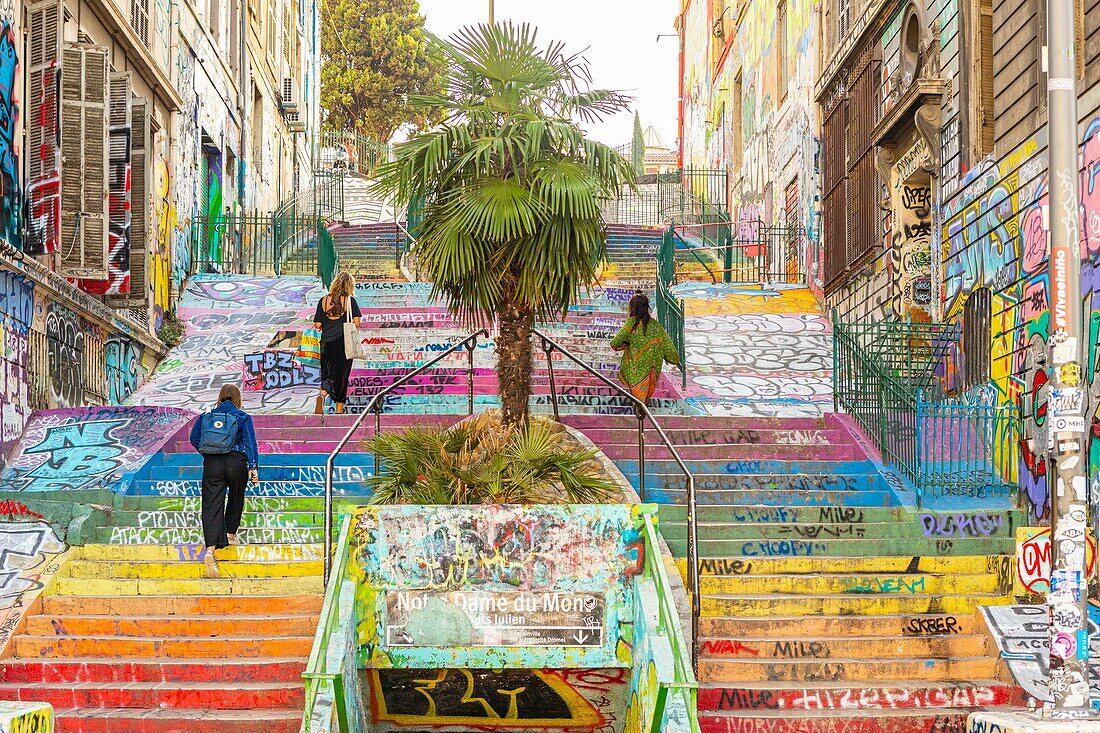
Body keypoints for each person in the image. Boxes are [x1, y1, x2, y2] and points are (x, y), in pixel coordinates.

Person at [189, 384, 260, 578]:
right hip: (236, 462)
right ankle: (230, 533)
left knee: (211, 504)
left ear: (220, 397)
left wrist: (208, 451)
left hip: (212, 462)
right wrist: (253, 466)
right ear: (237, 399)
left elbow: (194, 438)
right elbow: (250, 443)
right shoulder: (243, 417)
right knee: (237, 496)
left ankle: (210, 550)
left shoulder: (206, 416)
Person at [610, 292, 680, 404]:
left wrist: (626, 344)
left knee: (638, 396)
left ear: (632, 307)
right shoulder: (656, 326)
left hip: (635, 368)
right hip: (652, 369)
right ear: (647, 307)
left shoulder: (631, 324)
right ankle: (641, 407)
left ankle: (639, 407)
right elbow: (669, 349)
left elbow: (615, 343)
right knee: (643, 397)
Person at [313, 271, 362, 414]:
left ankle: (322, 395)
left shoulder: (323, 300)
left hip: (326, 344)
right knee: (341, 377)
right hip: (343, 344)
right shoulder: (350, 301)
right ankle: (339, 413)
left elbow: (317, 324)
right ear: (349, 285)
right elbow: (357, 323)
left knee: (327, 375)